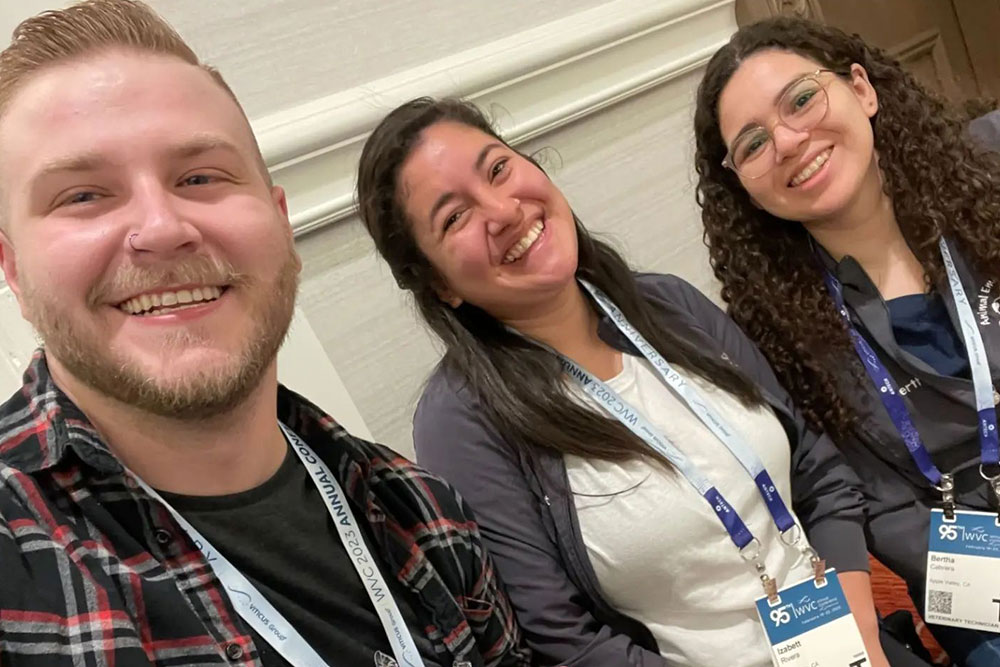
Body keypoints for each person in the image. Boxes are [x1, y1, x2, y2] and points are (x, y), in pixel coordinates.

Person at [0, 2, 530, 666]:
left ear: (282, 226)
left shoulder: (428, 515)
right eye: (83, 195)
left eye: (200, 177)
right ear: (14, 269)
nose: (163, 228)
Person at [355, 97, 913, 666]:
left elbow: (815, 468)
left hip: (850, 638)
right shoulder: (462, 418)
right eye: (455, 217)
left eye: (498, 168)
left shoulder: (666, 303)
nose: (502, 209)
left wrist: (858, 631)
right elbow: (562, 640)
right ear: (438, 284)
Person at [693, 16, 1000, 666]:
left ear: (861, 88)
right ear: (743, 186)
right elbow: (866, 497)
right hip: (970, 571)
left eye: (801, 99)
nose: (786, 141)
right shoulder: (773, 328)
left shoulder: (993, 159)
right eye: (751, 144)